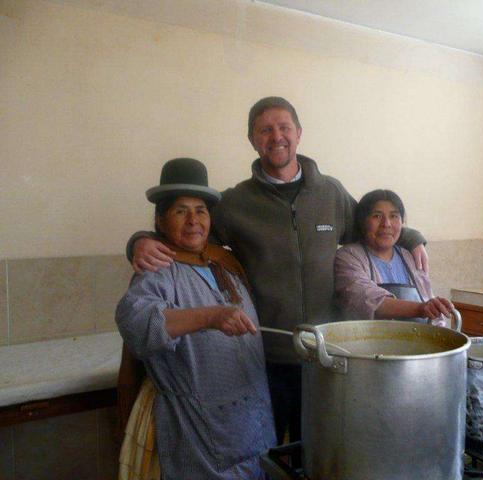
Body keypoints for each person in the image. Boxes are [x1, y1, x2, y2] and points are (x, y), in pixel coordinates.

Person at [126, 97, 428, 446]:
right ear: (253, 140)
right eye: (265, 130)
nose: (276, 136)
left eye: (284, 127)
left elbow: (374, 225)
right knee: (270, 450)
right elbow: (187, 231)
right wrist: (139, 242)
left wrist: (413, 237)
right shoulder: (235, 203)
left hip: (325, 352)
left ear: (299, 134)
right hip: (265, 356)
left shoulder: (330, 192)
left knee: (321, 448)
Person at [116, 158, 275, 480]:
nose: (193, 221)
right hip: (200, 432)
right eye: (180, 211)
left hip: (254, 423)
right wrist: (211, 316)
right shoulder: (158, 272)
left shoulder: (225, 262)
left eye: (200, 210)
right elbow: (136, 322)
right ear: (161, 221)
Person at [335, 189, 454, 324]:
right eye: (377, 216)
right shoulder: (348, 257)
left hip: (418, 342)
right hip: (369, 342)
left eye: (394, 216)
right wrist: (421, 308)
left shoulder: (410, 257)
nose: (386, 224)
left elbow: (428, 302)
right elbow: (366, 299)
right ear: (363, 222)